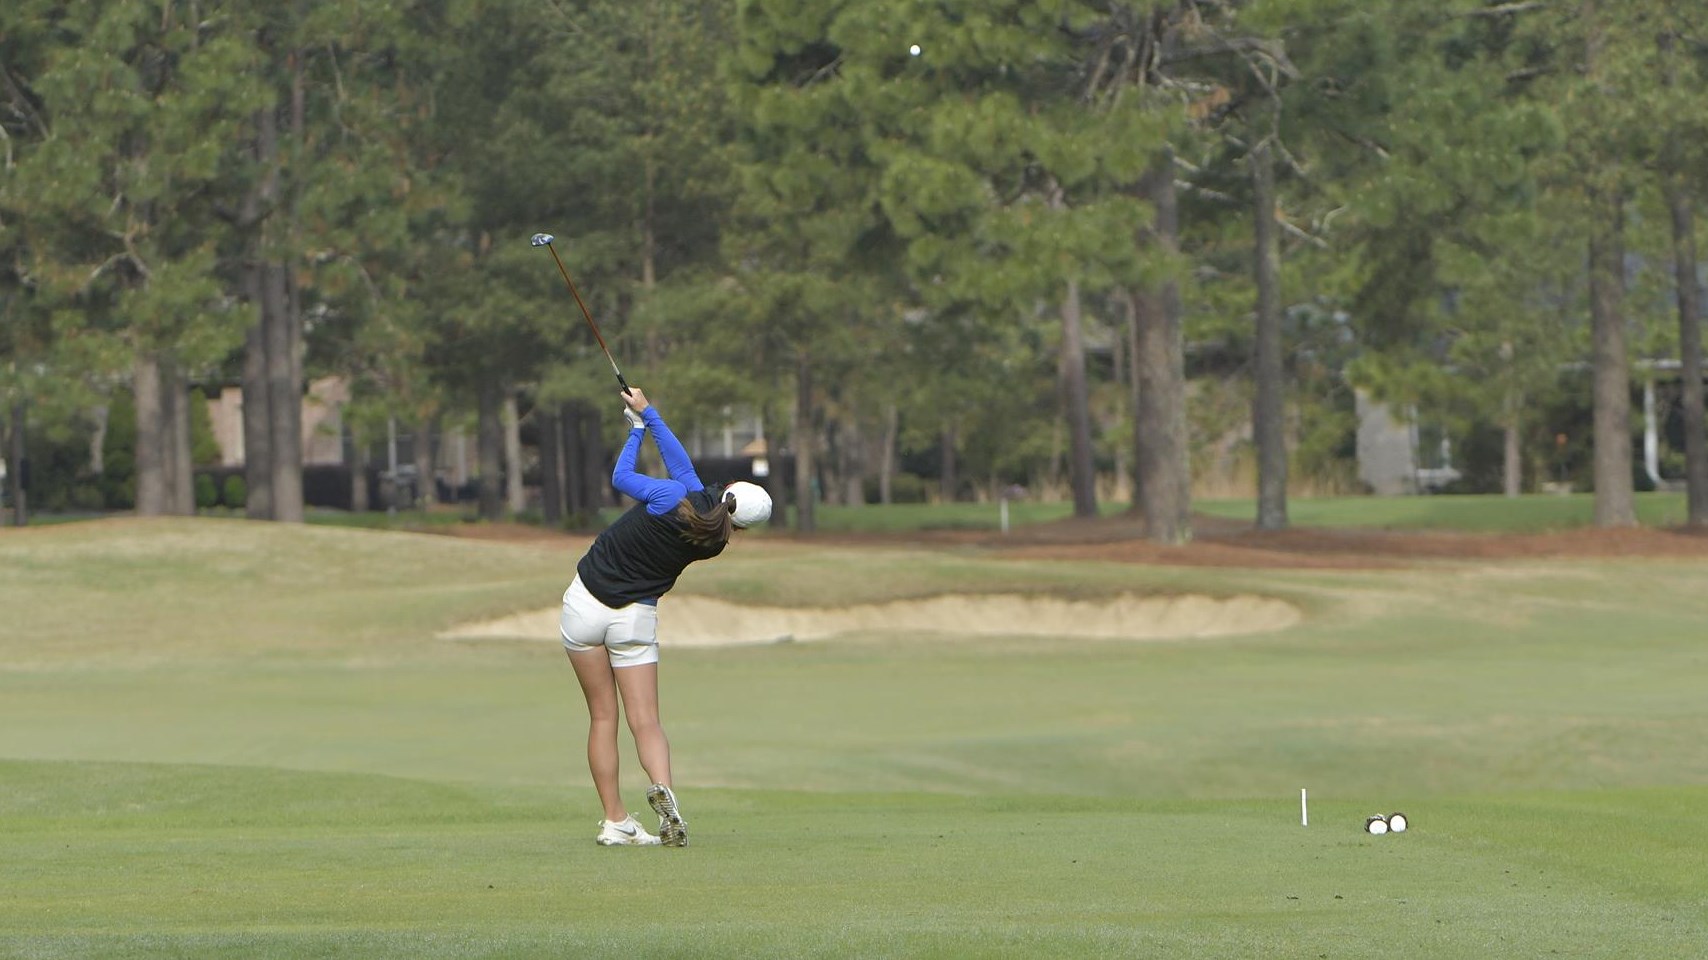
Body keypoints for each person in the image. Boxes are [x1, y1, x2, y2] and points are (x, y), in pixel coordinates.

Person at [559, 386, 772, 847]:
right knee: (647, 721)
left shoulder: (672, 497)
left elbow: (621, 476)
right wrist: (649, 411)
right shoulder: (713, 538)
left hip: (584, 606)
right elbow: (683, 469)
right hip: (634, 619)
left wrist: (636, 430)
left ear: (730, 489)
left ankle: (615, 821)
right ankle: (664, 794)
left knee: (602, 718)